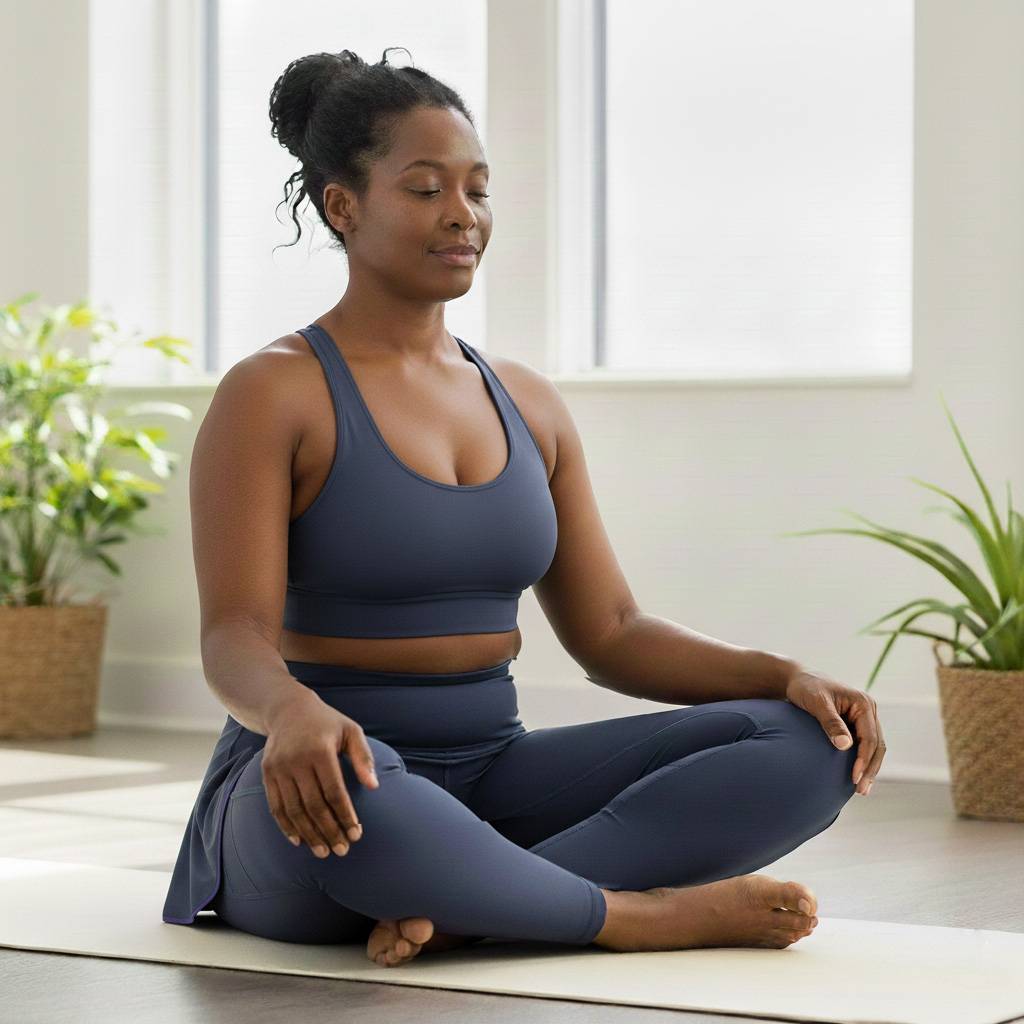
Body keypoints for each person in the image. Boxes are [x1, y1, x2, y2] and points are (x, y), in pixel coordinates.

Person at [161, 46, 858, 967]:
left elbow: (610, 630)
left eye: (478, 190)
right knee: (374, 802)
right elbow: (234, 636)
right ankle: (634, 916)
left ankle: (475, 901)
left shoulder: (525, 400)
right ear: (343, 205)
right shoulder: (274, 392)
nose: (464, 216)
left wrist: (782, 674)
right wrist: (291, 715)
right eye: (424, 189)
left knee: (814, 744)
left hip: (494, 774)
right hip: (328, 786)